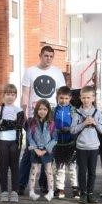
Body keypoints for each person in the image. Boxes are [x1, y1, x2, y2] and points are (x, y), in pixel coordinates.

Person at [19, 46, 67, 194]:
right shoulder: (30, 71)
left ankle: (44, 184)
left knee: (48, 151)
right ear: (40, 55)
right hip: (33, 117)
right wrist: (24, 113)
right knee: (30, 150)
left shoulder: (57, 73)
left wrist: (59, 115)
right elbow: (25, 94)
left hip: (50, 117)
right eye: (46, 56)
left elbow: (61, 95)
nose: (48, 59)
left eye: (51, 56)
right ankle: (21, 184)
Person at [71, 86, 102, 204]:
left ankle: (90, 193)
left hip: (94, 147)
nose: (86, 100)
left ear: (93, 98)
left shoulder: (97, 112)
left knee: (92, 172)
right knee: (82, 171)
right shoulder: (77, 113)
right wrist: (83, 123)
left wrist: (95, 123)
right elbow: (72, 130)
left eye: (88, 97)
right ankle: (83, 193)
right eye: (83, 98)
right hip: (81, 146)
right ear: (80, 98)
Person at [0, 84, 24, 203]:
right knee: (3, 166)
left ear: (16, 96)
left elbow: (19, 125)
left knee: (14, 166)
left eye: (13, 94)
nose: (10, 97)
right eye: (8, 94)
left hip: (15, 141)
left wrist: (4, 123)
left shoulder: (19, 111)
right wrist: (10, 124)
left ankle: (14, 191)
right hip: (2, 141)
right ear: (4, 95)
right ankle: (4, 191)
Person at [26, 99, 56, 202]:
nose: (42, 111)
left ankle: (51, 192)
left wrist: (45, 150)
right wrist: (35, 149)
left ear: (48, 110)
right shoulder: (32, 122)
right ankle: (31, 192)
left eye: (45, 109)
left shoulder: (52, 123)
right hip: (35, 150)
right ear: (36, 110)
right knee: (34, 171)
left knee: (49, 171)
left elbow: (54, 139)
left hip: (47, 151)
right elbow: (29, 137)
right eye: (40, 109)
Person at [52, 86, 79, 199]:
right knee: (60, 168)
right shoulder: (54, 111)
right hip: (58, 144)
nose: (64, 101)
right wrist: (56, 130)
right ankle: (60, 189)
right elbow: (51, 125)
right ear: (57, 97)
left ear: (70, 98)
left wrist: (69, 129)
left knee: (72, 168)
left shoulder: (73, 110)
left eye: (66, 98)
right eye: (61, 98)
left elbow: (77, 125)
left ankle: (75, 189)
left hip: (70, 143)